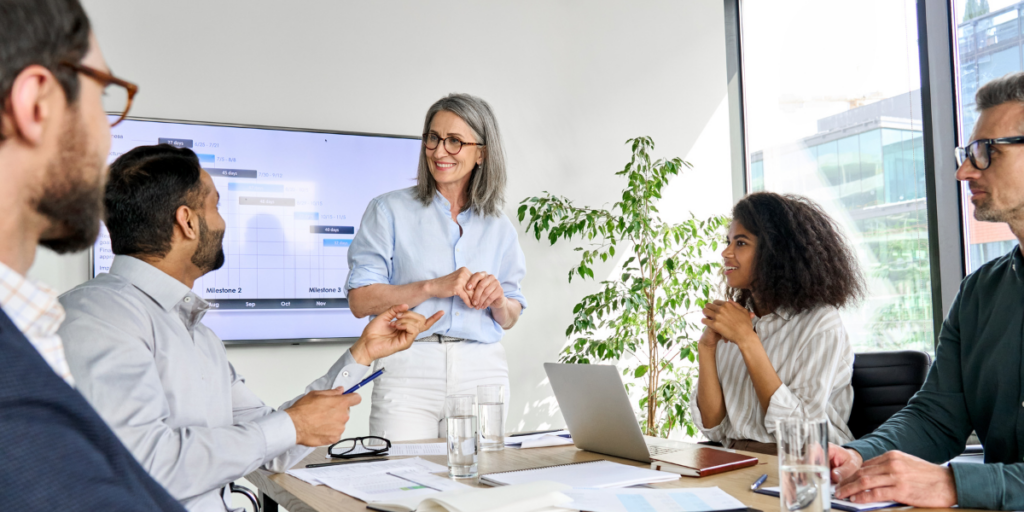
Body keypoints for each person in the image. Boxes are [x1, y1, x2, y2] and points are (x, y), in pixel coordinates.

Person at [58, 144, 443, 512]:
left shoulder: (198, 337)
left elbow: (278, 443)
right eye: (215, 207)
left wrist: (363, 354)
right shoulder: (97, 316)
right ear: (187, 222)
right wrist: (291, 425)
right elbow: (145, 466)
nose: (222, 222)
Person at [0, 0, 186, 509]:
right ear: (36, 102)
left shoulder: (27, 334)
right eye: (101, 97)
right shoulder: (13, 390)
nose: (108, 137)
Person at [829, 72, 1024, 510]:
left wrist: (955, 485)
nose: (963, 171)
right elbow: (937, 418)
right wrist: (858, 455)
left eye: (986, 151)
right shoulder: (979, 293)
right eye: (968, 153)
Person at [346, 93, 527, 440]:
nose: (439, 151)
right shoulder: (388, 211)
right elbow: (360, 301)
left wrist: (499, 301)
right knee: (401, 486)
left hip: (482, 371)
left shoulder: (499, 225)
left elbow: (511, 315)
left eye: (455, 141)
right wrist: (430, 287)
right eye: (433, 137)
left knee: (479, 487)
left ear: (482, 153)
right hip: (409, 367)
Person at [690, 192, 864, 455]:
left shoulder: (820, 323)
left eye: (740, 243)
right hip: (735, 459)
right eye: (728, 242)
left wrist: (748, 341)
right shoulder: (736, 318)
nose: (725, 253)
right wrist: (707, 348)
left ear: (775, 251)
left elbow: (802, 434)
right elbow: (713, 427)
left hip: (801, 466)